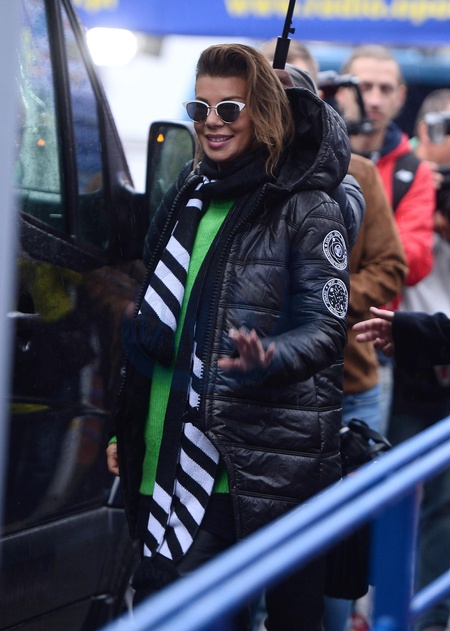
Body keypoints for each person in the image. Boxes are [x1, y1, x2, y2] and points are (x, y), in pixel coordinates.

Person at [107, 43, 351, 631]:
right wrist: (126, 428)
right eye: (200, 108)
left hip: (244, 468)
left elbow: (327, 328)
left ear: (263, 112)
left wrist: (268, 356)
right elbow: (151, 324)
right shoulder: (185, 196)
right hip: (162, 457)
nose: (211, 122)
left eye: (230, 108)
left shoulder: (308, 206)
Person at [260, 44, 408, 631]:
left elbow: (391, 267)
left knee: (333, 562)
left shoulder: (359, 175)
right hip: (259, 397)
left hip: (349, 386)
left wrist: (324, 301)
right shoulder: (230, 175)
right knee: (260, 560)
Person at [376, 89, 450, 631]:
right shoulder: (405, 180)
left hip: (430, 346)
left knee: (443, 505)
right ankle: (381, 606)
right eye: (442, 127)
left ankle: (429, 617)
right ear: (422, 130)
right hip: (401, 359)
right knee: (387, 493)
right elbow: (401, 259)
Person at [335, 44, 435, 435]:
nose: (374, 99)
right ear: (341, 90)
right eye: (364, 86)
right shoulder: (310, 154)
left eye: (385, 88)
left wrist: (327, 290)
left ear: (401, 96)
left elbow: (412, 261)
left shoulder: (413, 169)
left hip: (372, 347)